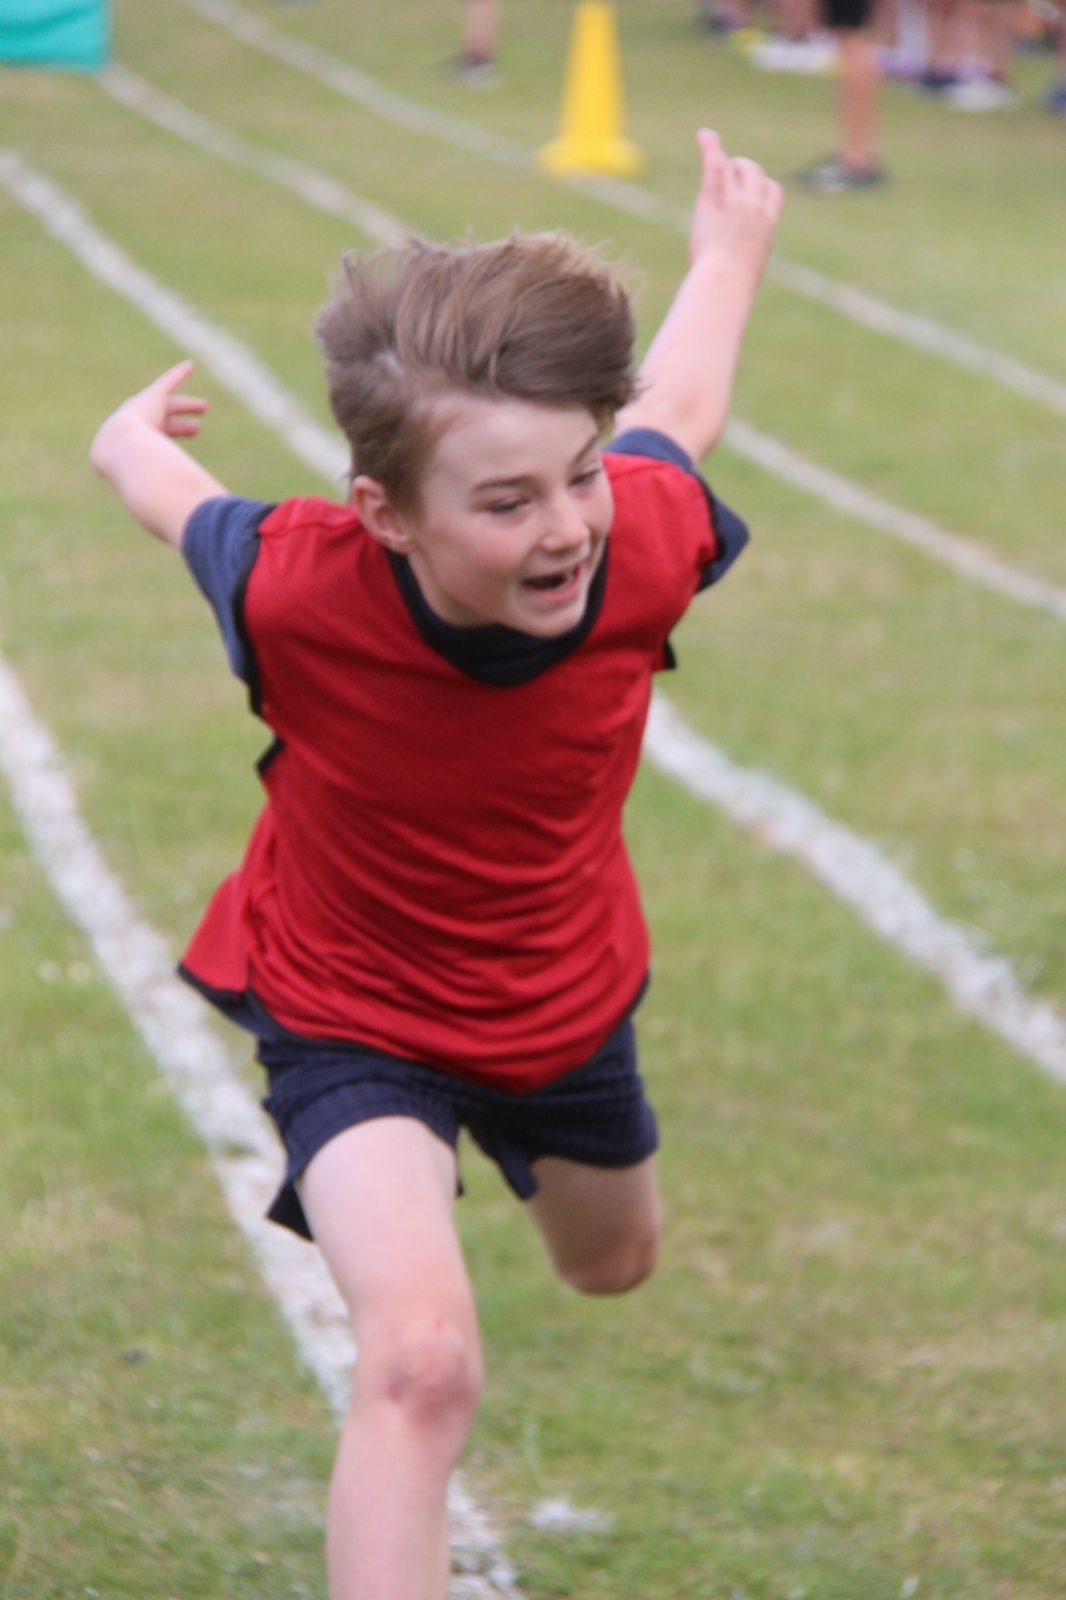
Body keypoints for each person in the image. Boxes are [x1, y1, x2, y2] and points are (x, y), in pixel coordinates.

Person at [90, 128, 782, 1600]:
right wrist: (123, 435)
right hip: (349, 1008)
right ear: (384, 517)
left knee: (611, 1263)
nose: (565, 529)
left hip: (559, 996)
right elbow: (169, 498)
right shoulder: (295, 585)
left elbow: (676, 412)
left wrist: (726, 253)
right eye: (505, 502)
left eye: (576, 477)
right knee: (418, 1366)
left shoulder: (640, 536)